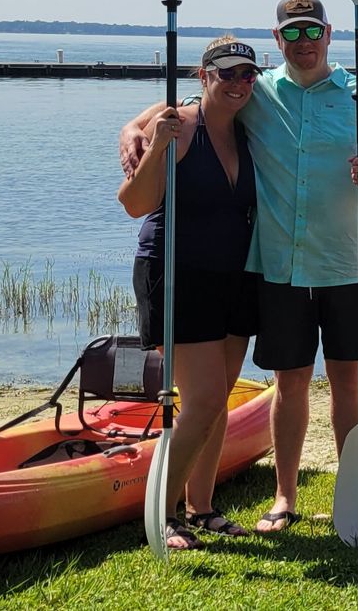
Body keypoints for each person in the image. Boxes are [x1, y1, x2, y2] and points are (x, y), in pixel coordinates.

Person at [122, 0, 358, 534]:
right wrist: (132, 128)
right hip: (279, 266)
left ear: (329, 34)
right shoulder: (259, 92)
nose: (304, 42)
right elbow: (190, 106)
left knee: (348, 381)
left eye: (312, 31)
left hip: (350, 263)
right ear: (278, 40)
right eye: (292, 33)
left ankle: (352, 496)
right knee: (290, 381)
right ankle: (283, 497)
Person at [117, 36, 262, 550]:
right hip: (177, 272)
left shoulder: (249, 126)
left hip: (236, 275)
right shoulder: (177, 127)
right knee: (202, 400)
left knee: (218, 400)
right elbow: (134, 203)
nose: (238, 83)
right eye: (227, 74)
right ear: (204, 76)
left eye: (247, 74)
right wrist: (154, 142)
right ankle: (163, 512)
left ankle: (202, 506)